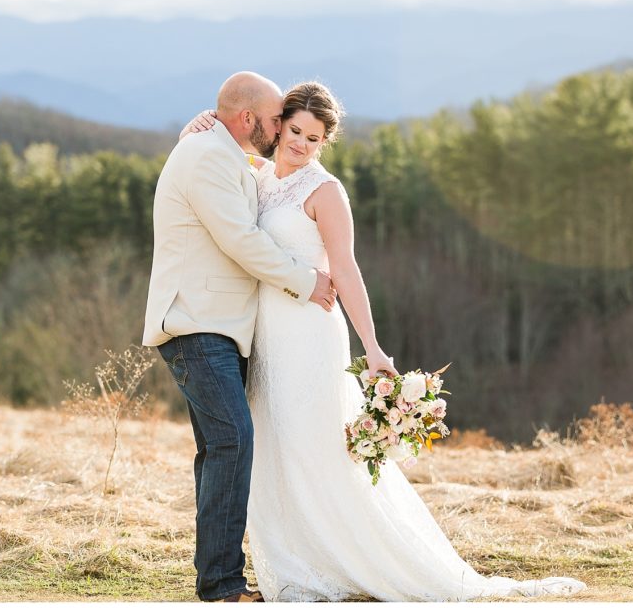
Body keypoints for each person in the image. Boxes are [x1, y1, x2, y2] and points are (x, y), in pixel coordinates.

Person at [180, 81, 586, 601]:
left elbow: (346, 270)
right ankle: (293, 561)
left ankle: (342, 560)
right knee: (275, 451)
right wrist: (199, 124)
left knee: (315, 448)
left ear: (326, 142)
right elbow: (221, 159)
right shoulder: (257, 176)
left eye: (315, 137)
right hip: (264, 337)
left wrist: (373, 347)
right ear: (278, 126)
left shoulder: (325, 191)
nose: (302, 144)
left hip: (309, 333)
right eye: (296, 131)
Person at [142, 72, 337, 603]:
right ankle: (223, 586)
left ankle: (216, 580)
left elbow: (260, 186)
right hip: (195, 323)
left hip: (220, 327)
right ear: (249, 118)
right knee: (233, 441)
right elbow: (240, 239)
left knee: (219, 448)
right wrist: (307, 282)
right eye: (277, 120)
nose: (281, 131)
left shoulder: (221, 153)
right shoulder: (207, 156)